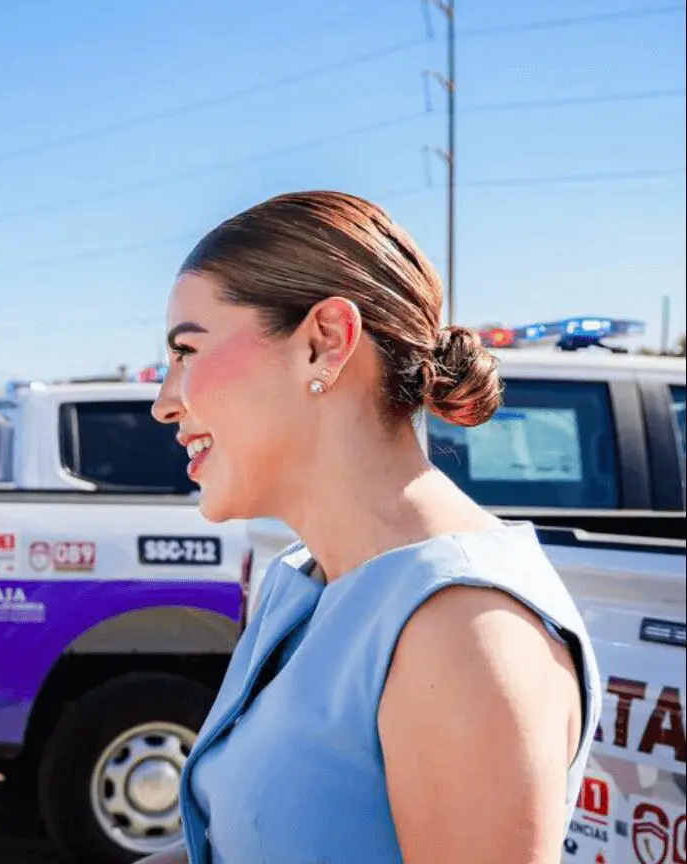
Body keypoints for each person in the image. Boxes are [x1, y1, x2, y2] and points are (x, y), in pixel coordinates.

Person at [140, 191, 600, 864]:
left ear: (325, 344)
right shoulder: (303, 581)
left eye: (188, 350)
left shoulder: (466, 633)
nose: (162, 402)